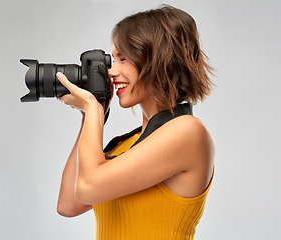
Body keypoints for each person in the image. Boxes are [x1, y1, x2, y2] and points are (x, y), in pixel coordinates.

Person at [56, 4, 215, 240]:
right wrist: (91, 114)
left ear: (158, 59)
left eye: (123, 58)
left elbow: (88, 187)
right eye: (113, 59)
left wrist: (91, 109)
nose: (111, 71)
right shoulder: (128, 145)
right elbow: (69, 203)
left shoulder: (188, 132)